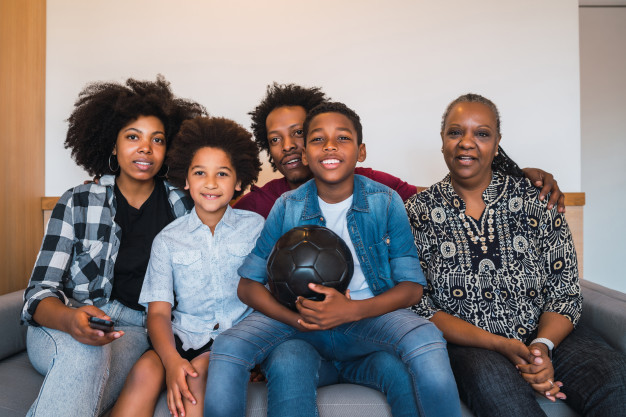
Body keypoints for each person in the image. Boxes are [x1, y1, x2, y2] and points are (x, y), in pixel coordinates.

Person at [205, 102, 462, 417]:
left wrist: (351, 309)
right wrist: (297, 319)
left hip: (366, 317)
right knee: (227, 346)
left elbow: (412, 287)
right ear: (306, 152)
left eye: (341, 138)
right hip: (300, 322)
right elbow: (247, 286)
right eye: (317, 139)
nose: (329, 146)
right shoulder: (287, 206)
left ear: (361, 151)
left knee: (427, 337)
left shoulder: (386, 201)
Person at [404, 93, 626, 416]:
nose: (467, 142)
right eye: (455, 132)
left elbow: (564, 290)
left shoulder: (537, 199)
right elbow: (420, 306)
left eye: (481, 133)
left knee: (614, 378)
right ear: (442, 141)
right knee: (500, 394)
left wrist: (541, 347)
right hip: (473, 348)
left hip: (547, 334)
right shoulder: (417, 213)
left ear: (497, 145)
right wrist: (497, 344)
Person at [21, 76, 205, 416]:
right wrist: (72, 319)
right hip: (62, 323)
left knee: (91, 371)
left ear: (169, 151)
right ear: (113, 145)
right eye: (133, 137)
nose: (145, 148)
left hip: (136, 330)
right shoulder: (77, 202)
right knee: (84, 352)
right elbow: (38, 293)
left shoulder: (187, 208)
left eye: (158, 140)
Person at [110, 117, 264, 417]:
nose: (210, 183)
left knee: (196, 378)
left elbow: (270, 293)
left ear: (238, 182)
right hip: (182, 336)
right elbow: (157, 312)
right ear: (186, 180)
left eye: (222, 173)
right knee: (144, 372)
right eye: (199, 173)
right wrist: (170, 361)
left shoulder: (256, 228)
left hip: (233, 340)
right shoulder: (168, 239)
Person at [234, 82, 565, 218]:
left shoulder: (373, 186)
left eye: (299, 134)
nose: (289, 145)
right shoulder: (258, 205)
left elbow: (441, 201)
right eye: (275, 139)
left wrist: (517, 175)